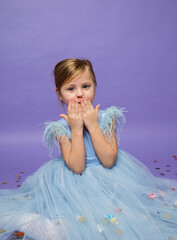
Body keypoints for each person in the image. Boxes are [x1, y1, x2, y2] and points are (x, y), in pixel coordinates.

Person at [0, 58, 177, 240]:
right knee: (75, 217)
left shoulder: (108, 117)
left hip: (110, 178)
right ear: (59, 94)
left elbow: (108, 161)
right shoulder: (60, 128)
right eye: (71, 89)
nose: (79, 94)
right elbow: (77, 167)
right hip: (74, 182)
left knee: (121, 214)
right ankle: (43, 225)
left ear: (95, 86)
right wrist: (76, 129)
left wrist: (93, 126)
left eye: (86, 86)